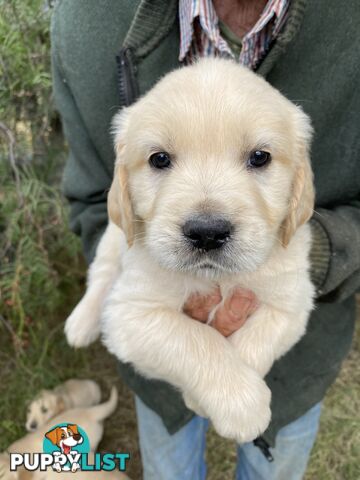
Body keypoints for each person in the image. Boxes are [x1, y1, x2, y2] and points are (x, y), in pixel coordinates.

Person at [50, 1, 360, 478]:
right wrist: (208, 371)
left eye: (258, 158)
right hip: (158, 381)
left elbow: (286, 310)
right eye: (160, 160)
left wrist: (236, 371)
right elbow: (98, 206)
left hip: (300, 371)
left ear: (301, 182)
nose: (207, 220)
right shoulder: (85, 20)